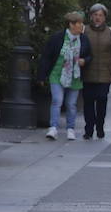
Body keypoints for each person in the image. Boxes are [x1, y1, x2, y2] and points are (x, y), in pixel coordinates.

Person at [37, 11, 91, 141]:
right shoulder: (57, 38)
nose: (81, 26)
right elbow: (47, 57)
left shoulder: (83, 39)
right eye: (79, 23)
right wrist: (41, 75)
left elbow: (89, 55)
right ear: (71, 25)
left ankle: (70, 128)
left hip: (75, 76)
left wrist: (85, 60)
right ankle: (53, 127)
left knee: (71, 104)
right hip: (57, 74)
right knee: (57, 100)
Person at [81, 4, 111, 140]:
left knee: (101, 101)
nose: (98, 18)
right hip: (87, 73)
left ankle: (100, 126)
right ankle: (88, 129)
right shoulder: (84, 30)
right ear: (91, 16)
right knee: (88, 103)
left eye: (100, 15)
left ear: (105, 17)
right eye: (95, 15)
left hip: (105, 74)